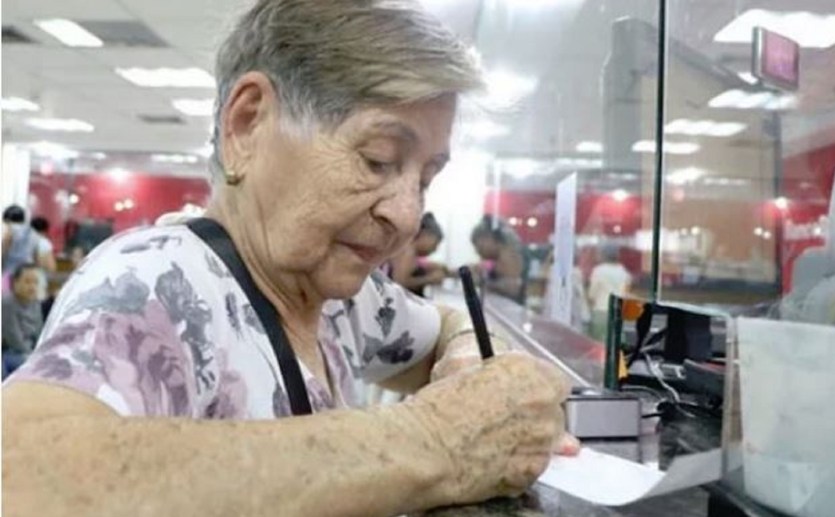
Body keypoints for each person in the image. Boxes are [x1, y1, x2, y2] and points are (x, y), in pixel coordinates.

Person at [2, 2, 575, 516]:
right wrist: (436, 441)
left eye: (425, 178)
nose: (406, 215)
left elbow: (445, 327)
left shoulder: (342, 298)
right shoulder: (154, 285)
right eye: (377, 159)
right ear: (247, 124)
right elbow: (20, 476)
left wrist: (471, 358)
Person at [470, 214, 527, 303]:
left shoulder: (509, 255)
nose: (477, 251)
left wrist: (481, 282)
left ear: (489, 239)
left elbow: (513, 288)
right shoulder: (494, 260)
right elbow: (477, 268)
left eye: (479, 246)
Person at [391, 212, 449, 296]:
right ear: (425, 235)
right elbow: (399, 283)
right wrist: (430, 279)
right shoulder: (408, 252)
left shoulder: (414, 254)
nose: (434, 249)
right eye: (435, 244)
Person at [2, 264, 44, 378]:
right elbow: (14, 339)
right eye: (27, 282)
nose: (32, 286)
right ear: (15, 283)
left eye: (35, 282)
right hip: (9, 351)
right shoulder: (7, 304)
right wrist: (33, 356)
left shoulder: (36, 303)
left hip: (28, 350)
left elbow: (39, 333)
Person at [587, 245, 632, 341]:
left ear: (603, 255)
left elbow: (592, 294)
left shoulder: (598, 271)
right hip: (618, 312)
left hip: (601, 311)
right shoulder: (624, 272)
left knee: (599, 341)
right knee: (616, 341)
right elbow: (626, 293)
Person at [2, 206, 55, 286]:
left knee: (6, 293)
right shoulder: (34, 233)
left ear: (7, 220)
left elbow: (3, 251)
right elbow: (39, 260)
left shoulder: (9, 231)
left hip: (9, 274)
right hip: (27, 274)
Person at [29, 216, 56, 301]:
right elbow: (51, 266)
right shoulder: (44, 242)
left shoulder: (24, 242)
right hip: (38, 279)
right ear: (44, 230)